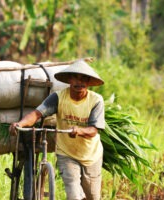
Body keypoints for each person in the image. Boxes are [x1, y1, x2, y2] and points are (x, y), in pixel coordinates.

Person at [9, 60, 105, 200]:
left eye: (84, 78)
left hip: (91, 156)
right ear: (69, 80)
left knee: (93, 196)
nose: (80, 82)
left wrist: (79, 130)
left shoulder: (96, 101)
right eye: (76, 78)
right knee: (73, 194)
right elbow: (37, 114)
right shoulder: (58, 97)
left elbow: (94, 130)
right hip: (67, 153)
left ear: (89, 82)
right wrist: (20, 124)